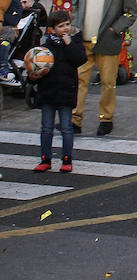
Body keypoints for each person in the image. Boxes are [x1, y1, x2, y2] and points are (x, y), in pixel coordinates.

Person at [71, 0, 137, 136]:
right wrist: (75, 27)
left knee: (108, 83)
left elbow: (131, 13)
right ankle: (75, 119)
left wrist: (115, 28)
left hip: (107, 42)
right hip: (83, 40)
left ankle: (106, 119)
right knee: (79, 81)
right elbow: (76, 6)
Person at [31, 10, 86, 174]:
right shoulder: (45, 46)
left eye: (67, 25)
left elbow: (80, 59)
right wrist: (33, 77)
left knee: (66, 128)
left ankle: (67, 159)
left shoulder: (74, 42)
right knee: (46, 128)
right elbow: (38, 67)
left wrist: (69, 44)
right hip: (48, 91)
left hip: (66, 92)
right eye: (61, 26)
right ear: (52, 29)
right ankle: (45, 159)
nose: (65, 29)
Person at [1, 0, 46, 86]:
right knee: (7, 37)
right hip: (5, 27)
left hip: (11, 26)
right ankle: (3, 66)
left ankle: (10, 60)